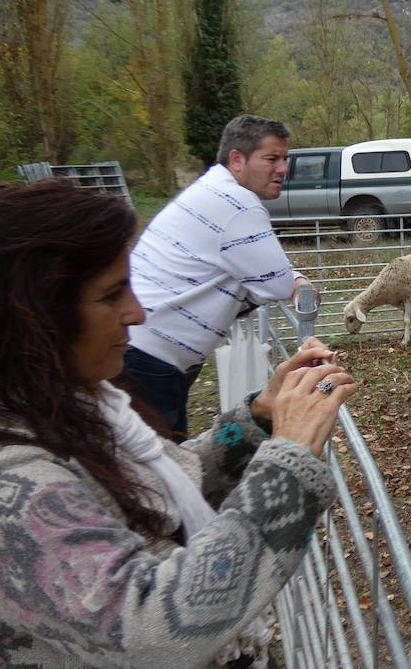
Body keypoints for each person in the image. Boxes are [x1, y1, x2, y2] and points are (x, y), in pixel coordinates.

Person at [0, 180, 355, 669]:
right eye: (111, 296)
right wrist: (290, 459)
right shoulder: (1, 487)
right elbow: (150, 627)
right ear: (33, 316)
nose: (137, 311)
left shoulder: (68, 411)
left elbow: (153, 501)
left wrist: (256, 423)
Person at [123, 114, 315, 440]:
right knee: (157, 474)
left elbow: (255, 274)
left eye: (285, 159)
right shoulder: (236, 203)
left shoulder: (212, 190)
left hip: (142, 352)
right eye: (271, 158)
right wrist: (294, 281)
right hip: (149, 362)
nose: (283, 169)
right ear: (237, 159)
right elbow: (278, 284)